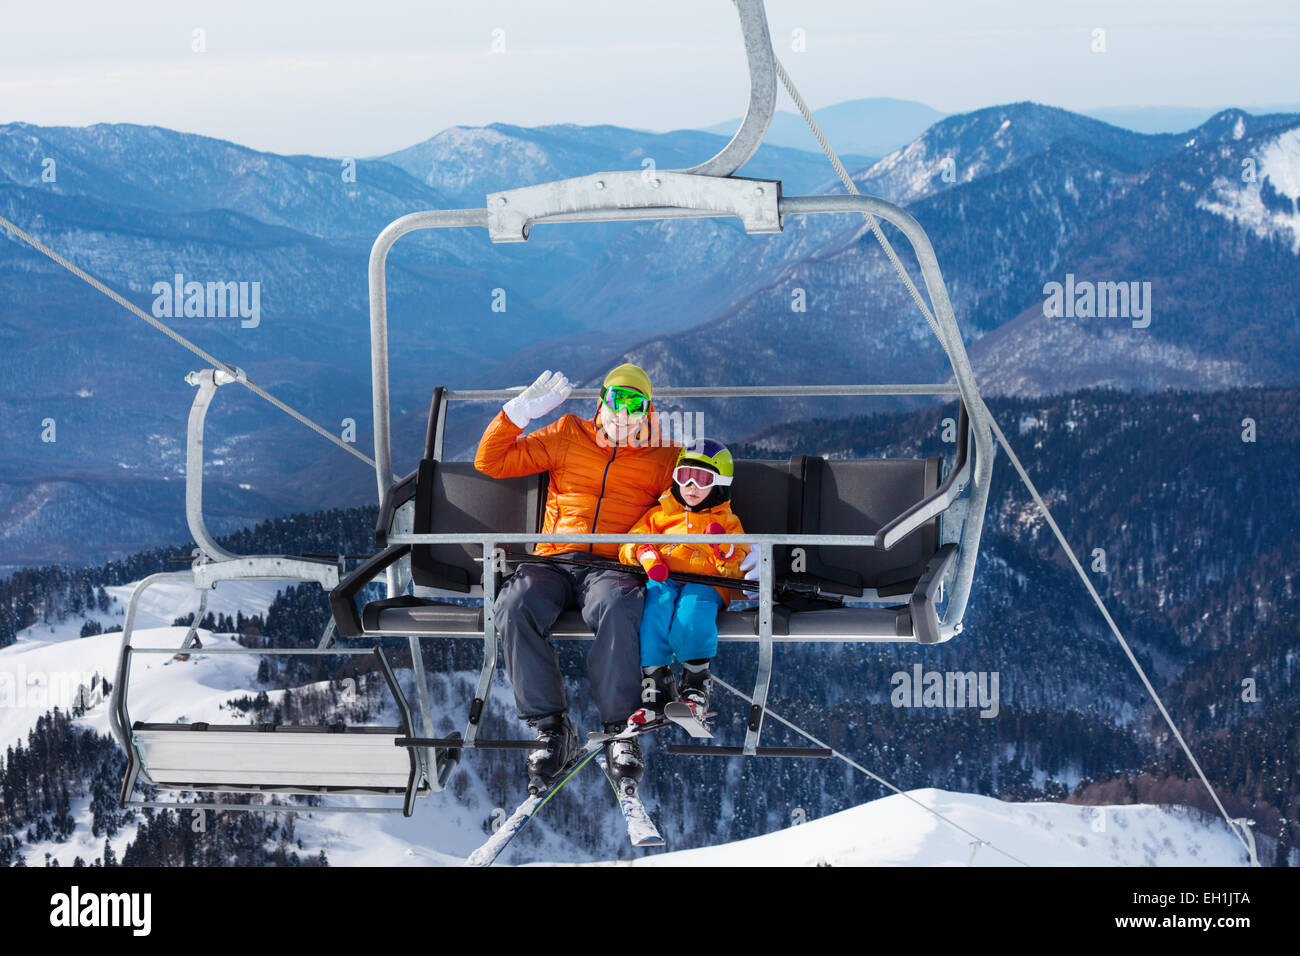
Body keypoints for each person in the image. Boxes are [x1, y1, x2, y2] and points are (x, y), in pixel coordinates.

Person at [474, 363, 679, 795]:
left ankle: (620, 728)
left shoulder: (664, 458)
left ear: (648, 411)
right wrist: (517, 414)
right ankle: (551, 728)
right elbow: (490, 461)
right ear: (600, 403)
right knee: (513, 605)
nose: (624, 414)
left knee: (620, 606)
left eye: (635, 404)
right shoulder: (568, 434)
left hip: (612, 565)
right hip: (554, 559)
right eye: (616, 401)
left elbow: (687, 512)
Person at [618, 438, 751, 726]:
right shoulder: (661, 514)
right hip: (664, 579)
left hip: (705, 583)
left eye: (702, 479)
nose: (691, 486)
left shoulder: (726, 523)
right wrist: (644, 555)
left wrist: (724, 553)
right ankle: (655, 684)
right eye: (684, 476)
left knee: (691, 613)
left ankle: (696, 681)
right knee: (653, 612)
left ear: (718, 484)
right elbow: (630, 542)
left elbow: (738, 563)